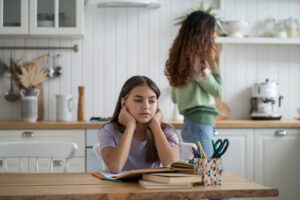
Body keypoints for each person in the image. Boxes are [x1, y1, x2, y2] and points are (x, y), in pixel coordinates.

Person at [165, 10, 222, 163]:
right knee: (209, 172)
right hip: (201, 125)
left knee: (202, 172)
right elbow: (217, 90)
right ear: (204, 33)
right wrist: (213, 61)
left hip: (190, 124)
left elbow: (175, 98)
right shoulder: (198, 61)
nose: (215, 35)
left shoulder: (181, 60)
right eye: (213, 31)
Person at [99, 75, 180, 173]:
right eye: (138, 100)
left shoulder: (167, 131)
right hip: (121, 188)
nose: (146, 106)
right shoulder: (109, 130)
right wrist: (130, 126)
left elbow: (173, 166)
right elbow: (115, 167)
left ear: (157, 105)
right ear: (124, 103)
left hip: (154, 188)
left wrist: (155, 125)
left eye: (151, 101)